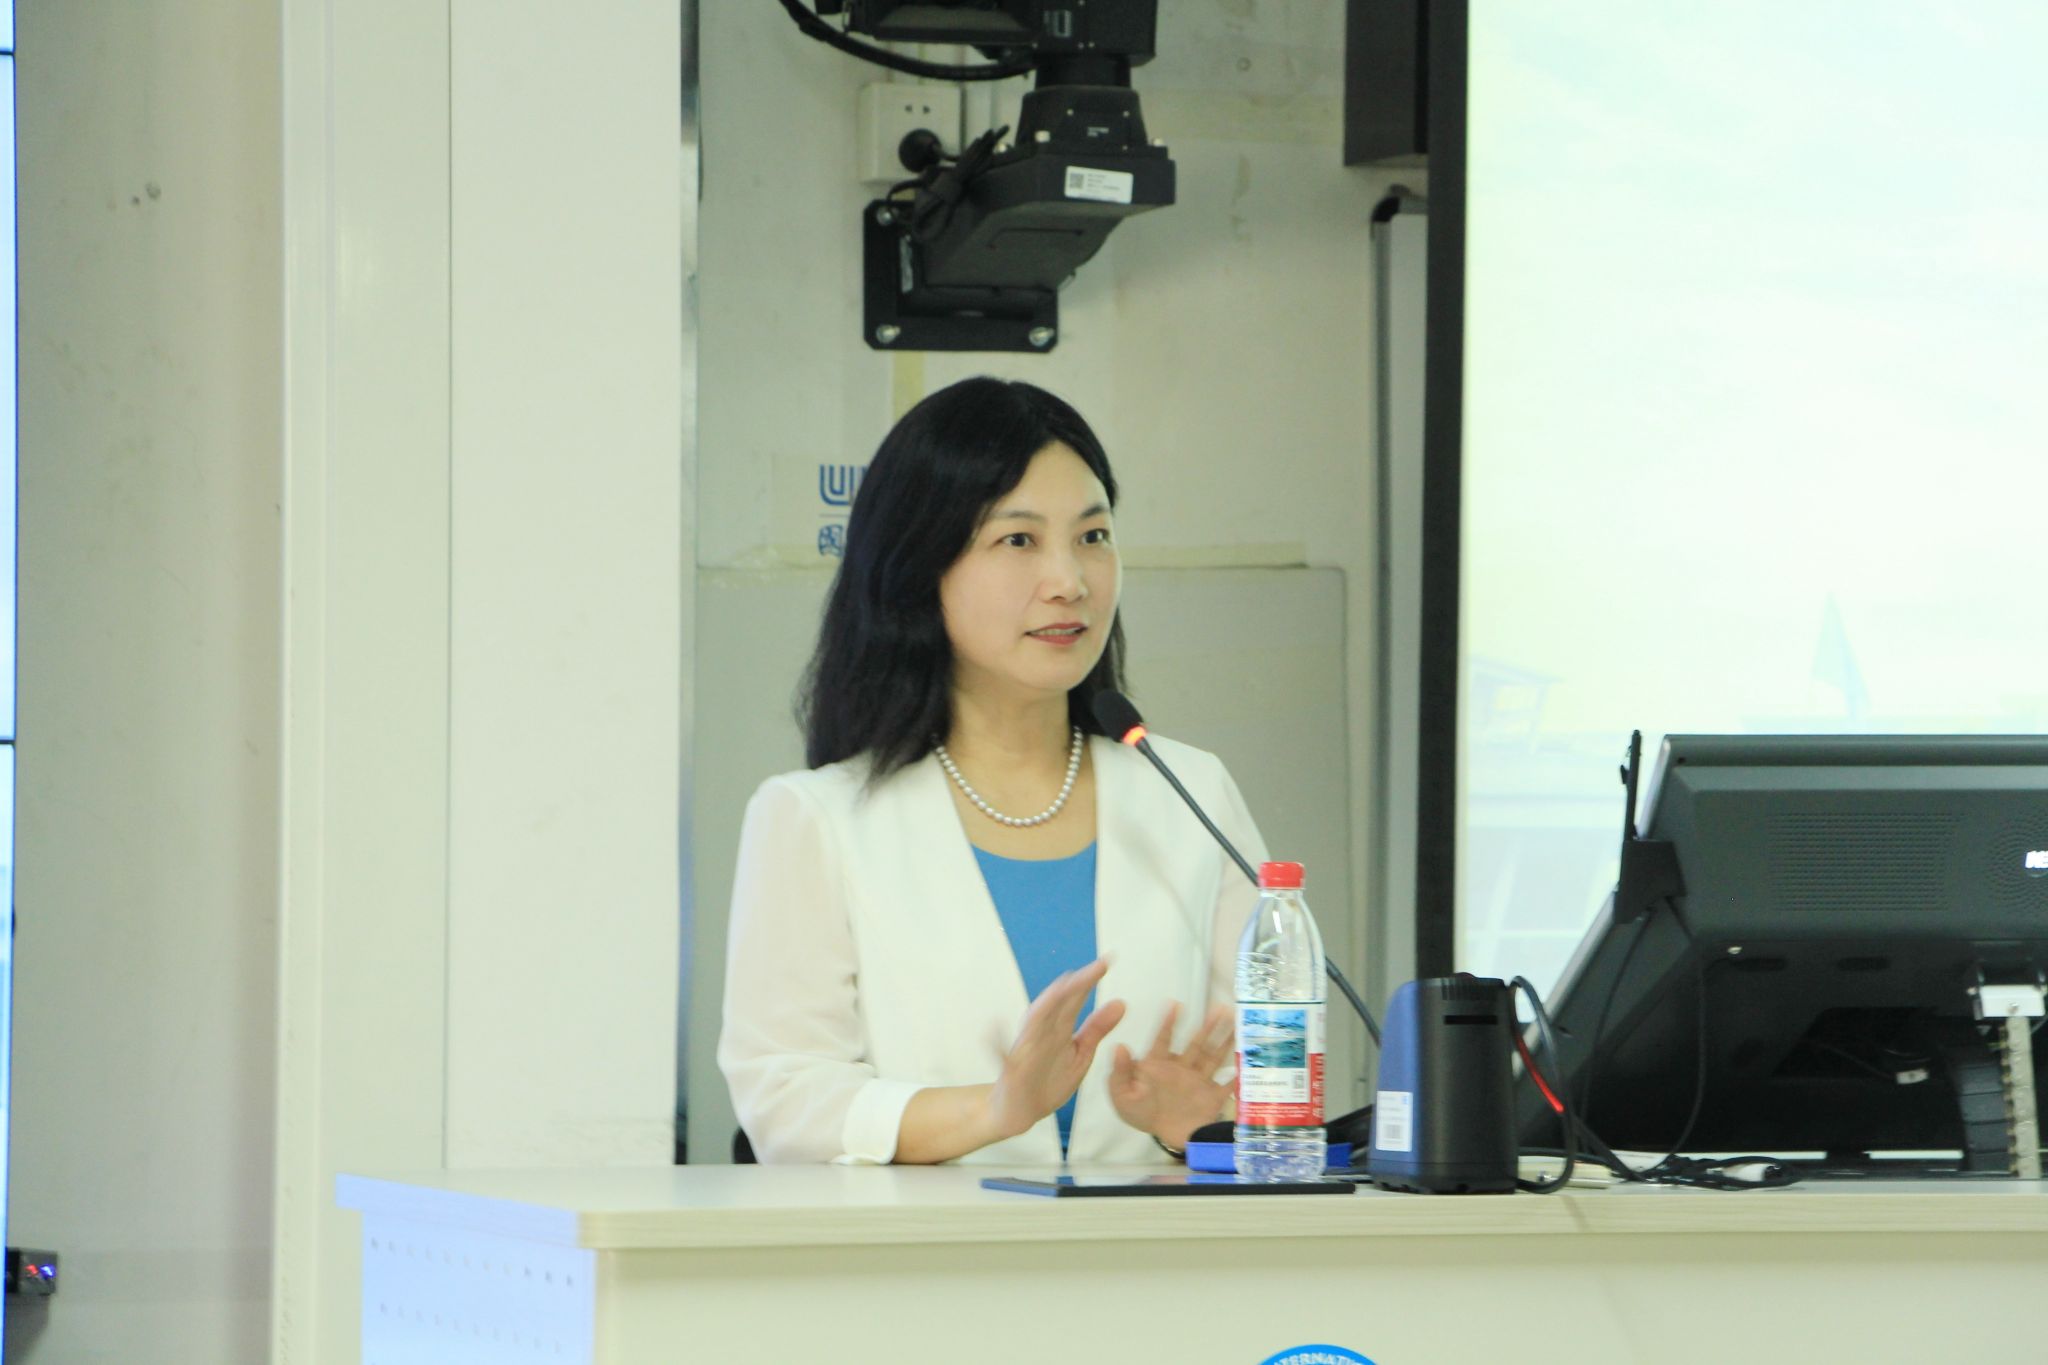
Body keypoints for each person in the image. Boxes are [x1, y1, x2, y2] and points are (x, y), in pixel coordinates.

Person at [718, 377, 1267, 1164]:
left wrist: (1203, 1128)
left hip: (1154, 1241)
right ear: (920, 567)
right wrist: (995, 1108)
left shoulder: (1191, 792)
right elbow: (786, 1098)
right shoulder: (815, 818)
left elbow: (1269, 1072)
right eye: (1018, 541)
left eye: (1093, 535)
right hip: (930, 1244)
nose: (1070, 580)